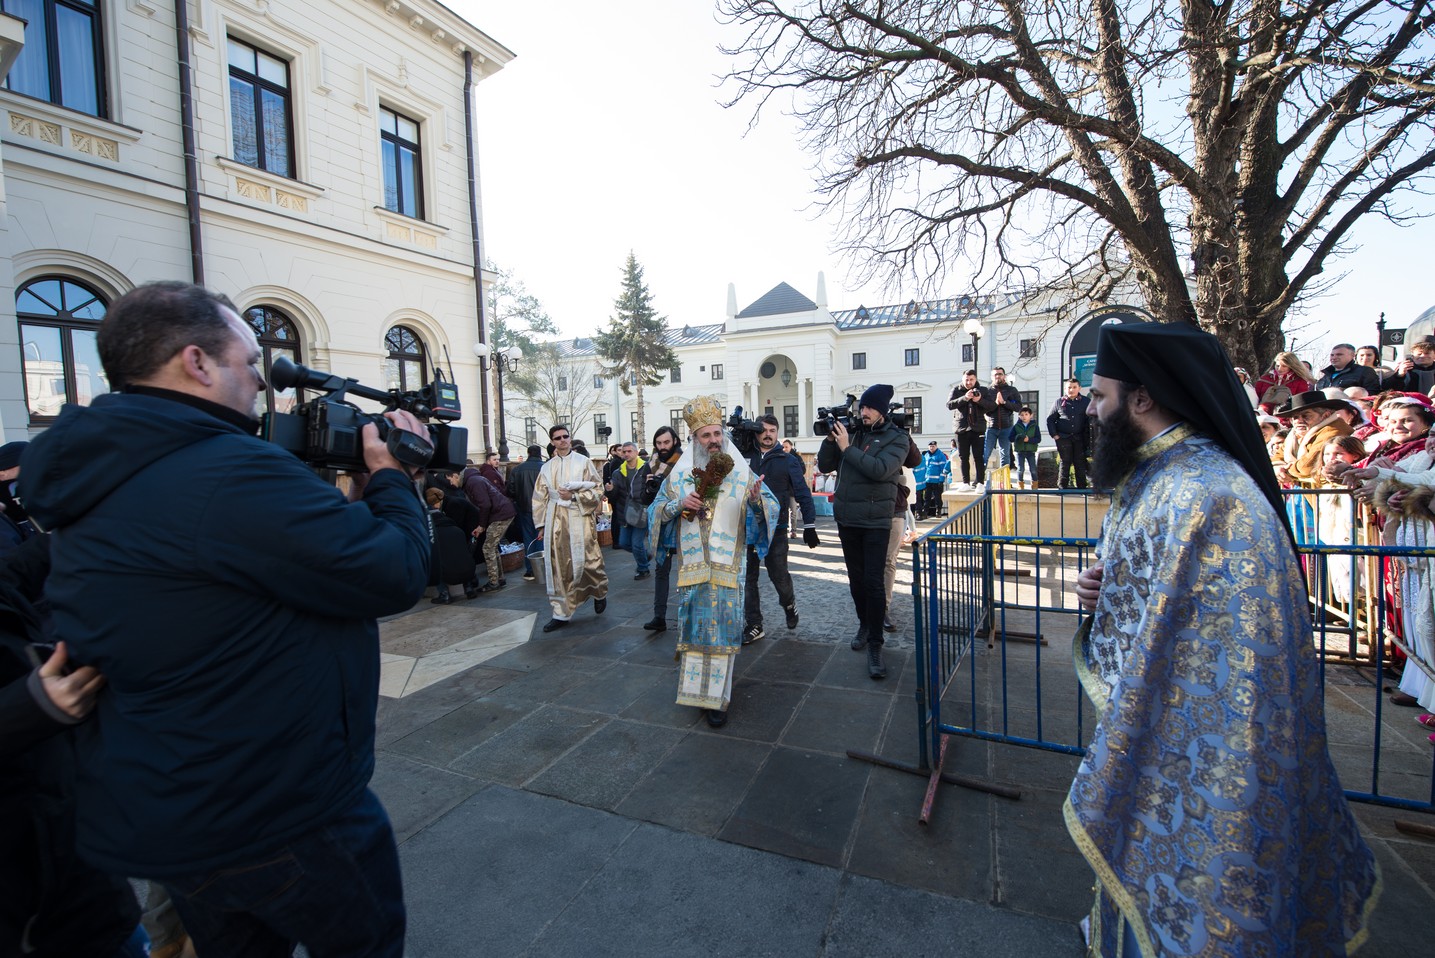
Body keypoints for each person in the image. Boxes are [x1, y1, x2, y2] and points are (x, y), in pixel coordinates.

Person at [20, 281, 430, 957]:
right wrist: (391, 478)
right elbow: (393, 571)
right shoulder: (224, 471)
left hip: (177, 805)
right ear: (197, 363)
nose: (262, 385)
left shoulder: (105, 466)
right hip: (277, 808)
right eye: (248, 361)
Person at [1069, 321, 1379, 957]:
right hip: (1174, 706)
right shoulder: (1167, 474)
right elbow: (1159, 587)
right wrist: (1106, 590)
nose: (1092, 411)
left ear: (1142, 398)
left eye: (1101, 397)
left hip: (1213, 725)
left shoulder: (1210, 492)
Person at [648, 397, 779, 727]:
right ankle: (696, 691)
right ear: (695, 439)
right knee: (694, 626)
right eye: (706, 436)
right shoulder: (679, 477)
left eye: (717, 433)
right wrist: (679, 504)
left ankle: (718, 699)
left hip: (726, 567)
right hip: (693, 568)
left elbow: (769, 507)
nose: (714, 440)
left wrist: (755, 500)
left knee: (722, 629)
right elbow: (655, 513)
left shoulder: (739, 470)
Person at [818, 384, 909, 679]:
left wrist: (847, 448)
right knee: (856, 580)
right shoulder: (854, 433)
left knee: (873, 582)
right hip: (848, 518)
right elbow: (824, 464)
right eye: (862, 408)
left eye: (869, 408)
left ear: (881, 410)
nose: (863, 412)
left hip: (875, 521)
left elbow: (880, 469)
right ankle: (864, 624)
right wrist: (833, 440)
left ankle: (875, 645)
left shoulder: (897, 438)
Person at [742, 415, 819, 644]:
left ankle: (789, 602)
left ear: (777, 432)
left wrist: (810, 525)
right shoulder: (744, 457)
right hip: (748, 528)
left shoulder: (787, 460)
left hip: (776, 529)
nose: (768, 434)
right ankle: (755, 625)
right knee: (748, 578)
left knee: (779, 577)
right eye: (763, 430)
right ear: (756, 432)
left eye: (772, 430)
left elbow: (803, 492)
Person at [532, 424, 608, 631]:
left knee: (589, 560)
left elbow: (598, 488)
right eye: (558, 438)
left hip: (579, 517)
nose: (563, 440)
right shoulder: (546, 468)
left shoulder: (583, 462)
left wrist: (574, 496)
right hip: (555, 520)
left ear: (570, 438)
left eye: (565, 436)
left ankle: (599, 591)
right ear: (552, 442)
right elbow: (540, 497)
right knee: (559, 565)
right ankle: (561, 613)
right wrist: (541, 525)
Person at [637, 426, 683, 633]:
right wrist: (648, 488)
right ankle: (659, 616)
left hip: (684, 522)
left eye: (666, 442)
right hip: (662, 524)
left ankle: (687, 615)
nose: (663, 447)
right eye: (659, 443)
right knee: (661, 570)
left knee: (686, 570)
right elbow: (645, 499)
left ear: (675, 441)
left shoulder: (685, 462)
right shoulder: (651, 465)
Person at [463, 462, 517, 592]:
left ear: (455, 476)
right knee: (492, 547)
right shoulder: (475, 479)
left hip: (501, 515)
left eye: (449, 479)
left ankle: (494, 581)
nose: (450, 482)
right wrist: (482, 525)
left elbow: (485, 505)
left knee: (488, 548)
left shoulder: (473, 482)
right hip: (502, 513)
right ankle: (499, 578)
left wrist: (482, 525)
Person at [506, 444, 544, 581]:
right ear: (540, 454)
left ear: (528, 453)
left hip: (524, 508)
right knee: (542, 536)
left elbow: (510, 490)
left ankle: (530, 570)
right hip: (543, 508)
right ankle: (542, 566)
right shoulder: (545, 467)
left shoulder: (518, 469)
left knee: (528, 537)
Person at [1046, 378, 1090, 489]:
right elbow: (1050, 419)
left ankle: (1082, 489)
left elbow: (1091, 418)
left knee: (1079, 463)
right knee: (1065, 462)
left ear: (1079, 388)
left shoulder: (1086, 401)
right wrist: (1054, 435)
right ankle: (1062, 488)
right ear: (1065, 389)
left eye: (1074, 387)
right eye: (1069, 387)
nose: (1071, 390)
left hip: (1080, 438)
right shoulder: (1059, 402)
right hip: (1063, 438)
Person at [946, 370, 986, 489]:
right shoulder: (956, 390)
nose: (969, 382)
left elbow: (991, 406)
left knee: (978, 456)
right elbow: (949, 405)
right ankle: (965, 483)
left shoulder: (983, 390)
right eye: (966, 380)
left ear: (975, 380)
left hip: (978, 428)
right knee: (963, 457)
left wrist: (979, 400)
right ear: (963, 379)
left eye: (971, 380)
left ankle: (980, 482)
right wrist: (964, 398)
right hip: (961, 428)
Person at [977, 366, 1023, 468]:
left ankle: (1005, 481)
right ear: (991, 377)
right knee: (985, 453)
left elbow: (1018, 407)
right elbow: (982, 409)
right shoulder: (987, 391)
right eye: (995, 374)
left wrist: (1004, 402)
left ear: (1004, 376)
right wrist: (995, 404)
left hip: (1006, 427)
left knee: (1005, 455)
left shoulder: (1012, 390)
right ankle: (980, 478)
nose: (998, 376)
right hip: (991, 427)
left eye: (1000, 374)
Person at [1254, 349, 1317, 414]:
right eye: (1277, 366)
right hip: (1262, 414)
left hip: (1286, 415)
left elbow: (1300, 402)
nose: (1280, 369)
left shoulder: (1300, 382)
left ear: (1292, 366)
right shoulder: (1264, 379)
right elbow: (1255, 398)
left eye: (1284, 366)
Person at [1315, 342, 1381, 392]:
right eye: (1332, 355)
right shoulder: (1324, 375)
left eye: (1339, 354)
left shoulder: (1365, 372)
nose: (1334, 357)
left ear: (1352, 355)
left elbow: (1372, 394)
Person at [1010, 406, 1040, 489]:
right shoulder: (1016, 426)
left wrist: (1029, 439)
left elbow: (1038, 439)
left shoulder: (1035, 426)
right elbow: (1010, 438)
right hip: (1020, 451)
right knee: (1021, 469)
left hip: (1031, 451)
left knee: (1033, 469)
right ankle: (1020, 485)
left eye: (1026, 414)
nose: (1024, 416)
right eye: (1022, 415)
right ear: (1019, 416)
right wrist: (1018, 437)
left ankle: (1034, 485)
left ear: (1031, 415)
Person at [919, 440, 950, 517]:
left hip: (937, 481)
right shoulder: (926, 455)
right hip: (928, 481)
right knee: (927, 497)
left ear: (936, 446)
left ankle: (938, 511)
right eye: (930, 446)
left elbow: (943, 469)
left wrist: (941, 480)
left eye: (933, 446)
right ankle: (925, 512)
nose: (931, 448)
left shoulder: (940, 455)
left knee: (938, 497)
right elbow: (925, 468)